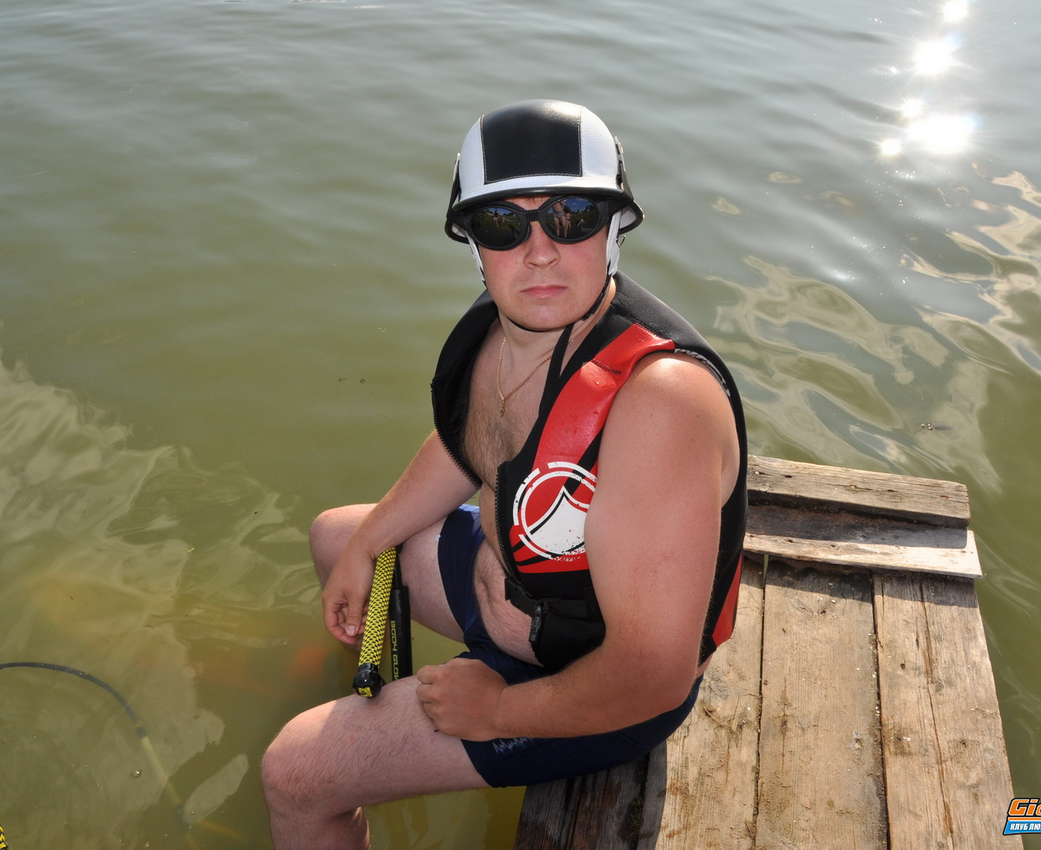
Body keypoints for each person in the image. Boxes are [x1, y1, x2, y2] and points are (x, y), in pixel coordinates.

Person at [261, 99, 749, 849]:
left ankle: (347, 756)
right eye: (503, 225)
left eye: (572, 217)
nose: (540, 251)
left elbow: (651, 675)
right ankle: (362, 686)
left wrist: (495, 712)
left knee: (294, 771)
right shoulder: (506, 328)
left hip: (589, 683)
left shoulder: (660, 405)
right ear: (473, 243)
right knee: (337, 536)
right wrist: (369, 544)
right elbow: (470, 446)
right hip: (510, 587)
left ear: (614, 228)